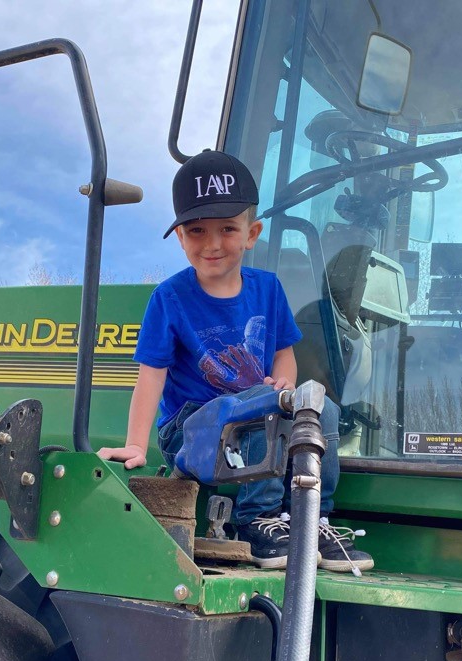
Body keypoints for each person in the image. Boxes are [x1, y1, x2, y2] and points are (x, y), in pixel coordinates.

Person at [98, 150, 373, 572]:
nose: (212, 243)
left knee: (322, 408)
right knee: (261, 405)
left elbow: (283, 354)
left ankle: (313, 517)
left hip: (253, 416)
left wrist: (285, 385)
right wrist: (136, 444)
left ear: (251, 233)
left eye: (227, 228)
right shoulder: (169, 298)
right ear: (181, 237)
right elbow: (151, 377)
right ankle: (256, 518)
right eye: (197, 230)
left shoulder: (268, 289)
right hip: (189, 430)